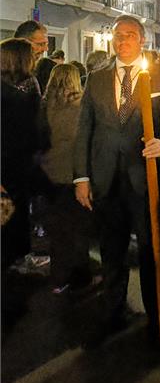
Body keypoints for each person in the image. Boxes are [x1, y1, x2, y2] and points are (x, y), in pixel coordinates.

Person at [73, 15, 160, 347]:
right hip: (106, 181)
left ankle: (157, 316)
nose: (123, 41)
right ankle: (113, 311)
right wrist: (81, 177)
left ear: (142, 39)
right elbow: (84, 130)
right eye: (117, 36)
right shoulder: (96, 79)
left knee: (152, 250)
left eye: (130, 35)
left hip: (146, 179)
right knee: (111, 251)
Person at [40, 64, 95, 293]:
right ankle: (80, 275)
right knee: (79, 227)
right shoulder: (81, 106)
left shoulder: (42, 107)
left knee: (58, 230)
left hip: (49, 176)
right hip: (75, 175)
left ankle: (58, 277)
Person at [1, 38, 42, 324]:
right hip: (20, 161)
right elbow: (37, 125)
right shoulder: (29, 87)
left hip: (7, 161)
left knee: (8, 213)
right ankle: (17, 258)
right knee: (17, 211)